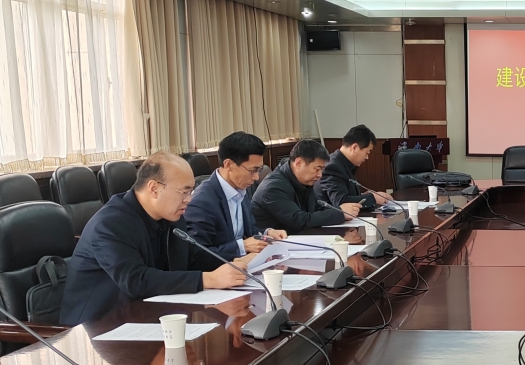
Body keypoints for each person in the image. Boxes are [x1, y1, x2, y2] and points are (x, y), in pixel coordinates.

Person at [60, 152, 247, 325]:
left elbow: (193, 257)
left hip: (147, 315)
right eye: (184, 192)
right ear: (154, 189)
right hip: (97, 326)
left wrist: (234, 262)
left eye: (191, 192)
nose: (189, 199)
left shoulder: (172, 217)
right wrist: (209, 279)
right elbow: (136, 280)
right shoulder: (110, 224)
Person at [184, 131, 287, 261]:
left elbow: (249, 230)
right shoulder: (201, 201)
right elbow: (198, 254)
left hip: (248, 264)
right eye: (252, 170)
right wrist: (242, 246)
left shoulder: (240, 188)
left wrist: (266, 233)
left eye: (259, 170)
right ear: (229, 165)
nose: (256, 177)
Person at [251, 139, 359, 234]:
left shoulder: (302, 179)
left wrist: (342, 211)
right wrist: (339, 213)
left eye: (322, 170)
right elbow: (298, 221)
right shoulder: (273, 188)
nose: (320, 175)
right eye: (317, 169)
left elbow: (316, 208)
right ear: (298, 163)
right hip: (274, 245)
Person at [317, 124, 393, 213]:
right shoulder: (333, 167)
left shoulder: (343, 163)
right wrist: (373, 198)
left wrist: (364, 195)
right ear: (354, 147)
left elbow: (345, 194)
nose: (367, 157)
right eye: (367, 153)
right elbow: (341, 202)